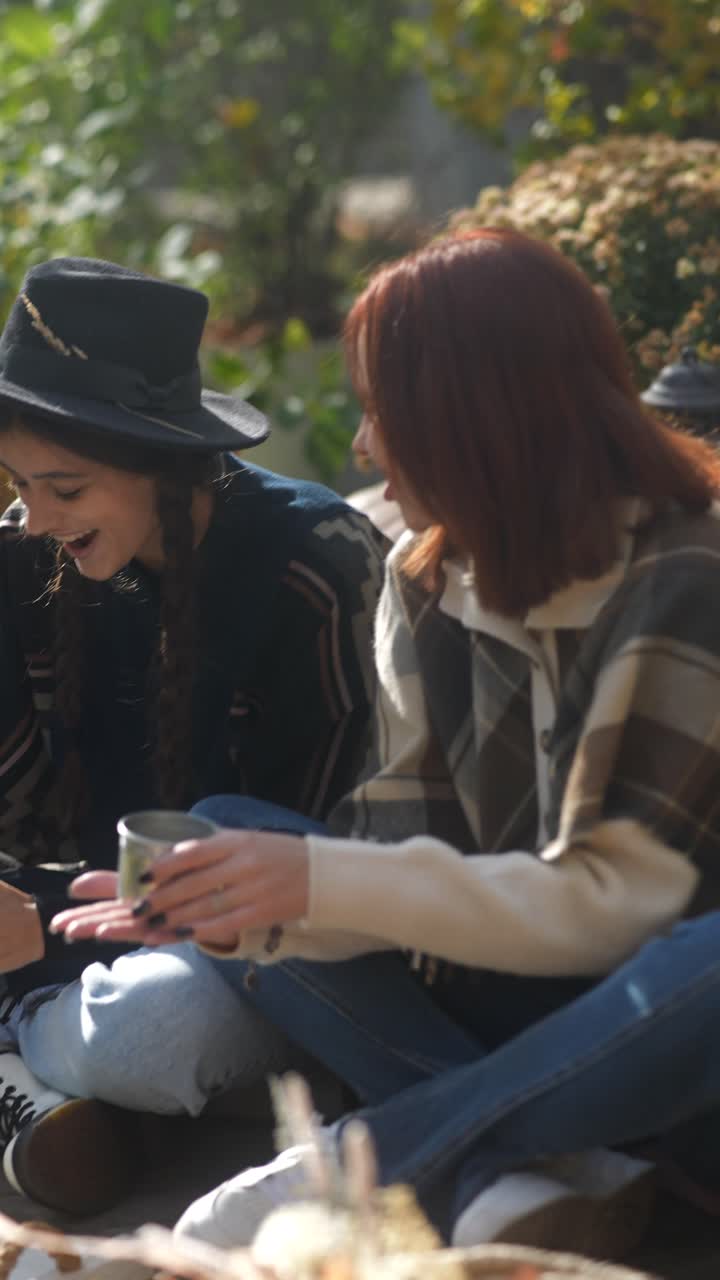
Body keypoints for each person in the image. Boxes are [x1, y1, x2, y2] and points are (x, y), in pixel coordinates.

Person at [51, 228, 720, 1256]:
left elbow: (608, 907)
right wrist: (241, 904)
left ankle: (389, 1156)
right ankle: (535, 1162)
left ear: (479, 416)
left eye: (383, 409)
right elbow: (402, 872)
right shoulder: (424, 582)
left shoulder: (685, 573)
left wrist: (313, 879)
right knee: (227, 831)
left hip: (665, 1016)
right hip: (514, 1002)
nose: (364, 445)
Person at [0, 256, 386, 1214]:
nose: (34, 517)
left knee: (156, 1032)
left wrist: (33, 953)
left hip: (249, 955)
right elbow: (34, 829)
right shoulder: (27, 556)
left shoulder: (315, 565)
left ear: (160, 461)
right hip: (75, 922)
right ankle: (47, 1087)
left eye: (66, 489)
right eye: (15, 482)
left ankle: (26, 1058)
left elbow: (329, 881)